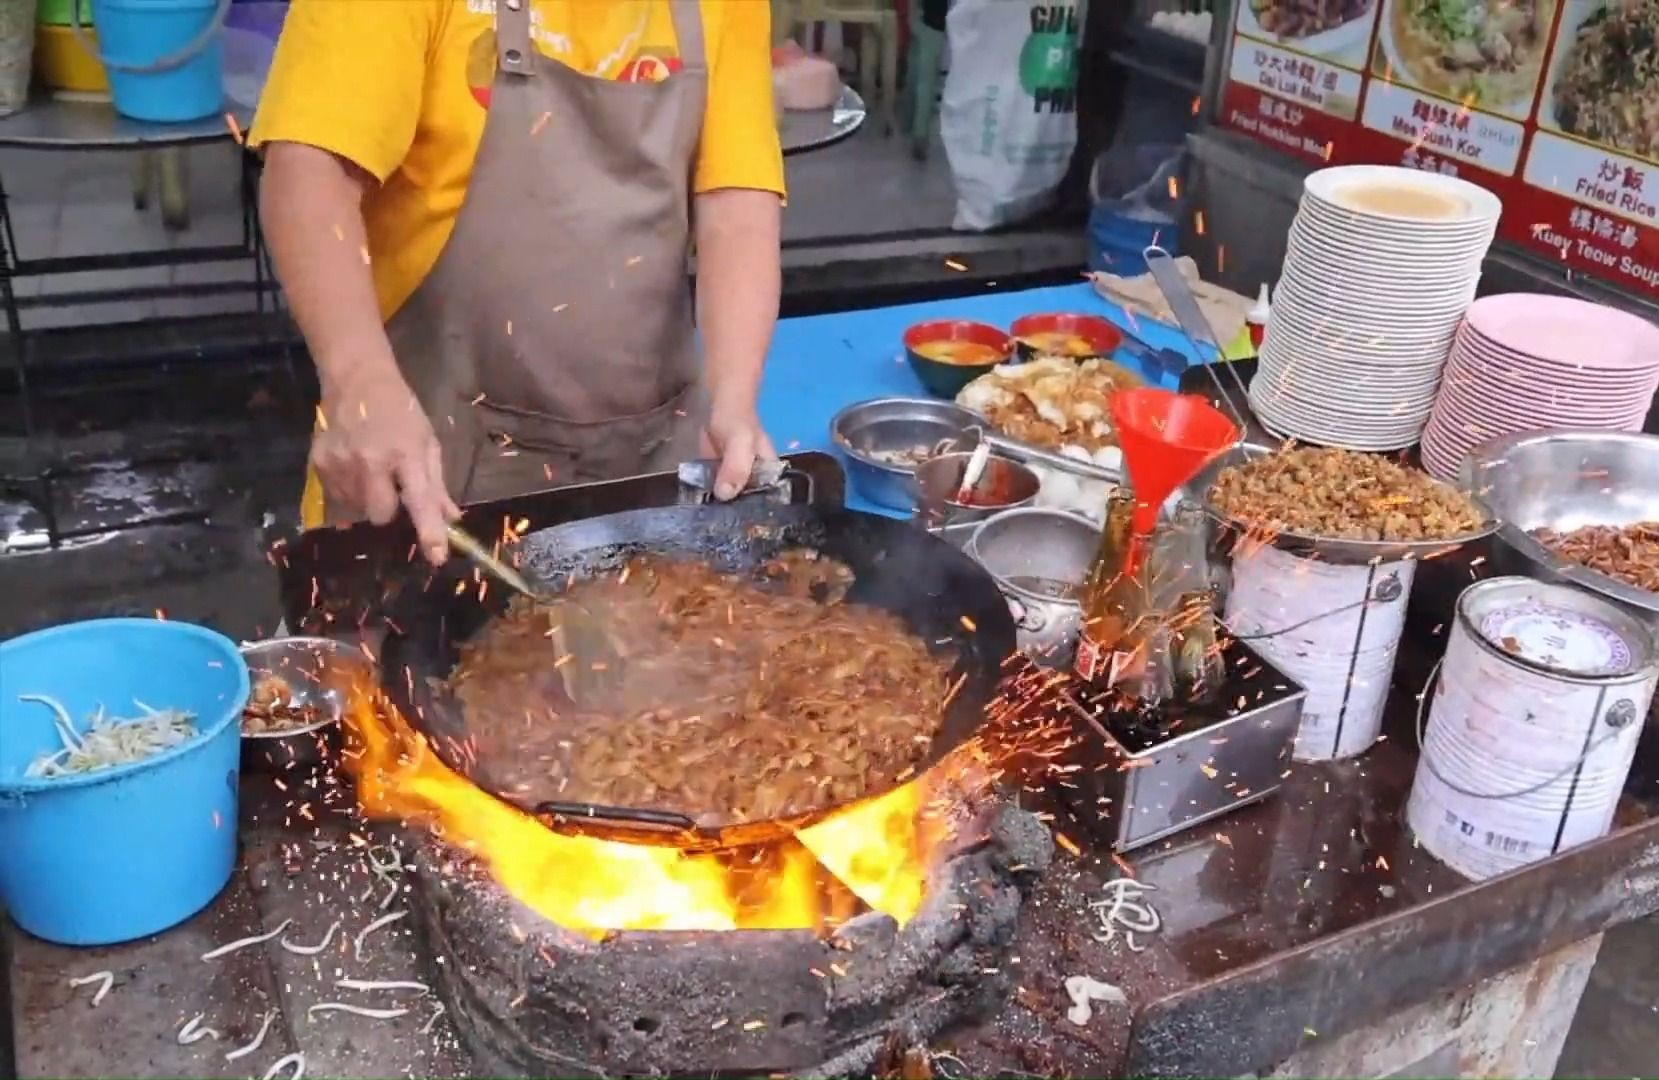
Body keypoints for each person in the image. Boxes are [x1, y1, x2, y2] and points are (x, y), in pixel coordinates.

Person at [250, 0, 785, 565]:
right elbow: (309, 173)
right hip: (424, 479)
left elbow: (735, 202)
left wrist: (733, 397)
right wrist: (357, 379)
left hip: (645, 482)